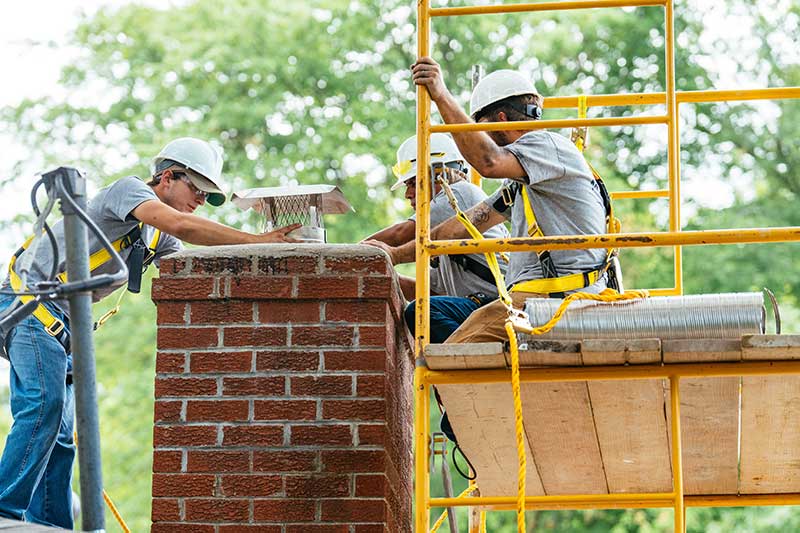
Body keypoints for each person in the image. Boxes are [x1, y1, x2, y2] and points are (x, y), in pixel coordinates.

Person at [0, 137, 299, 528]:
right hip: (26, 302)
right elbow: (180, 223)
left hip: (62, 322)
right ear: (167, 177)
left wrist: (267, 256)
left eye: (208, 196)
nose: (199, 201)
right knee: (45, 404)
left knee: (62, 432)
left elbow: (200, 260)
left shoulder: (159, 239)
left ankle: (52, 523)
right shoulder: (128, 191)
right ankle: (6, 510)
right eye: (197, 189)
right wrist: (255, 240)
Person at [367, 59, 609, 344]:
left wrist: (441, 95)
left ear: (502, 119)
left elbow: (489, 161)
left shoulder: (548, 147)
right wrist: (394, 256)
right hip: (536, 298)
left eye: (480, 128)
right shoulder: (523, 181)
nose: (478, 137)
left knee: (454, 356)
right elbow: (460, 229)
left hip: (554, 298)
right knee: (445, 346)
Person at [364, 133, 509, 343]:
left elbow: (401, 234)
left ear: (438, 175)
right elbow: (429, 291)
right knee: (424, 309)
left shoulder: (458, 194)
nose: (408, 194)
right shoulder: (436, 240)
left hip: (495, 305)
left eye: (413, 183)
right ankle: (467, 354)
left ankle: (464, 353)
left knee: (421, 312)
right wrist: (386, 278)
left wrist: (353, 253)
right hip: (479, 308)